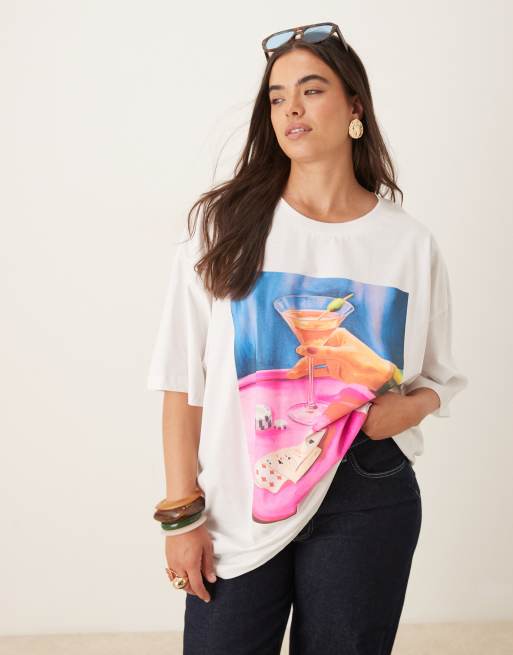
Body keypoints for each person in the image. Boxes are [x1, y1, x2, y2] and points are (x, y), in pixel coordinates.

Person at [147, 22, 468, 655]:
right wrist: (181, 515)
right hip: (241, 499)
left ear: (355, 108)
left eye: (312, 90)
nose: (291, 108)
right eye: (277, 97)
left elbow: (440, 376)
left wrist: (402, 411)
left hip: (365, 487)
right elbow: (183, 380)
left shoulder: (406, 243)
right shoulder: (225, 226)